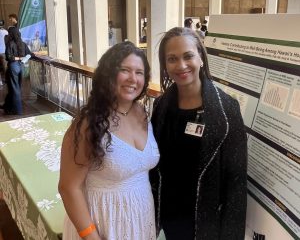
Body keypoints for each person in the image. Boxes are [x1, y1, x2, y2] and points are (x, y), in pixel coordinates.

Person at [151, 27, 247, 240]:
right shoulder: (160, 106)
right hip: (169, 216)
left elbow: (236, 182)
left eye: (188, 56)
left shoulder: (226, 109)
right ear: (165, 65)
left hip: (206, 223)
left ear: (201, 58)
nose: (181, 65)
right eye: (172, 59)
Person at [59, 41, 160, 240]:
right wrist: (91, 236)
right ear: (108, 74)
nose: (133, 79)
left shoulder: (141, 112)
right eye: (125, 70)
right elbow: (69, 187)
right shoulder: (88, 122)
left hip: (140, 219)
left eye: (139, 73)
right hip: (102, 221)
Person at [1, 26, 31, 115]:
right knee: (15, 87)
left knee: (15, 89)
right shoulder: (23, 43)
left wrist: (18, 58)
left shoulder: (10, 43)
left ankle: (18, 111)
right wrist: (23, 58)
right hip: (21, 67)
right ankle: (8, 106)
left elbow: (8, 57)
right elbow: (29, 54)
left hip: (13, 67)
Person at [0, 20, 8, 86]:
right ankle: (7, 80)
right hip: (4, 51)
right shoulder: (6, 32)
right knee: (5, 66)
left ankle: (0, 82)